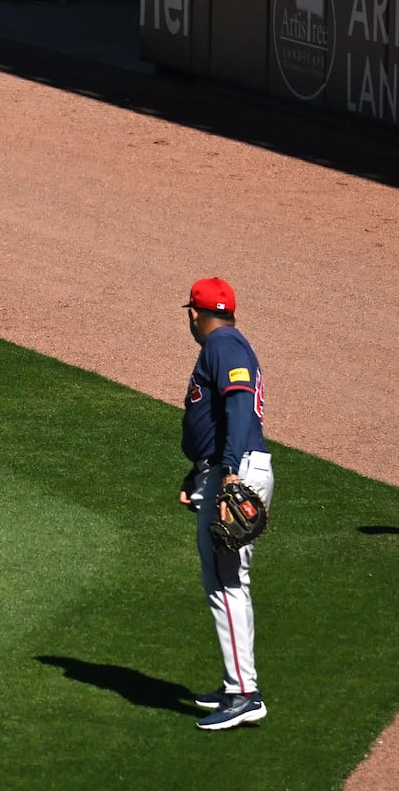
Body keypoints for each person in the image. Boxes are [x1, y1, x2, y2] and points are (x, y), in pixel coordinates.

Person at [176, 277, 274, 731]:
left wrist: (228, 472)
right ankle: (237, 681)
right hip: (224, 466)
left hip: (235, 469)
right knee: (227, 576)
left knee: (225, 579)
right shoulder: (229, 342)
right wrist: (197, 473)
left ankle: (244, 694)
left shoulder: (223, 345)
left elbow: (236, 407)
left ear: (196, 313)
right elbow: (217, 418)